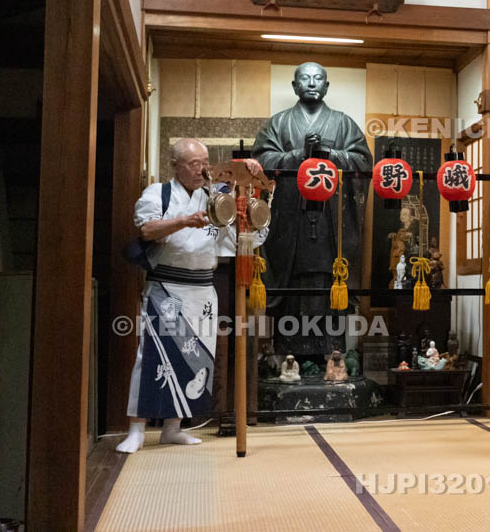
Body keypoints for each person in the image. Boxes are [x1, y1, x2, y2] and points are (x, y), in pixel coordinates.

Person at [117, 138, 266, 453]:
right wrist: (185, 220)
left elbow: (245, 221)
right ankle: (137, 429)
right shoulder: (158, 194)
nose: (203, 169)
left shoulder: (215, 197)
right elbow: (147, 230)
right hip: (166, 287)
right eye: (194, 163)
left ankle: (174, 427)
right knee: (152, 356)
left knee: (194, 357)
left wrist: (251, 179)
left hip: (202, 288)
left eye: (205, 161)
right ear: (175, 165)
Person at [252, 62, 372, 356]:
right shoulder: (278, 124)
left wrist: (328, 154)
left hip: (332, 220)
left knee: (331, 278)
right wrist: (298, 155)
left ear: (327, 86)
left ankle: (332, 357)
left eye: (318, 79)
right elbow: (261, 162)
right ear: (295, 86)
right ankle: (289, 357)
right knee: (292, 281)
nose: (311, 83)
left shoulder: (343, 123)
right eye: (304, 79)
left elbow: (363, 162)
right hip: (290, 219)